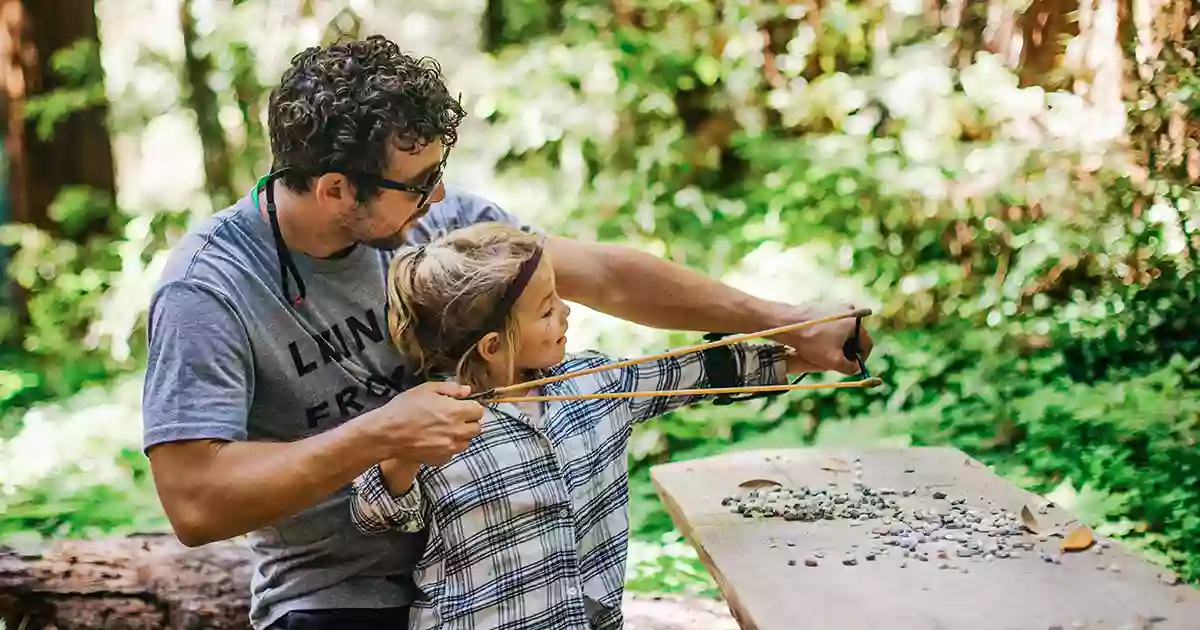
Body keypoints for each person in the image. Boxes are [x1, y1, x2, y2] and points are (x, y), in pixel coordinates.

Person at [140, 35, 873, 630]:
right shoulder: (210, 289)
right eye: (418, 181)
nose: (440, 196)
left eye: (439, 172)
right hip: (342, 592)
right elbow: (196, 504)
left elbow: (605, 277)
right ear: (335, 188)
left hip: (505, 564)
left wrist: (789, 324)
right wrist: (382, 435)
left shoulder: (438, 222)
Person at [347, 221, 815, 630]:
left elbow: (691, 373)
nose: (566, 313)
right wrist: (403, 451)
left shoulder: (593, 385)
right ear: (493, 346)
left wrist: (801, 352)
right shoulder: (433, 421)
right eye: (548, 310)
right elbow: (374, 513)